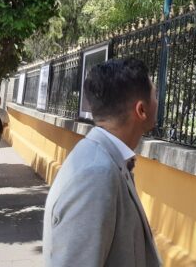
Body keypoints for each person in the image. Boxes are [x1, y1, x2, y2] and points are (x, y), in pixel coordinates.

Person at [43, 58, 161, 267]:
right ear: (141, 110)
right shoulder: (96, 174)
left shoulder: (103, 159)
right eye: (155, 94)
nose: (158, 101)